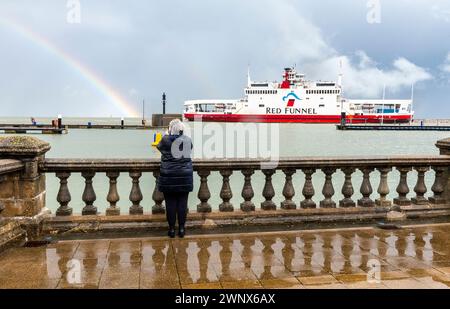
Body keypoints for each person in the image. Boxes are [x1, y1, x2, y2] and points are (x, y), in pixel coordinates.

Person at [157, 119, 193, 238]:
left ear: (170, 129)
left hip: (168, 177)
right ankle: (182, 229)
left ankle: (172, 230)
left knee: (170, 204)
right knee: (182, 204)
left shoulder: (165, 140)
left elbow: (159, 147)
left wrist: (167, 134)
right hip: (184, 176)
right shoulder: (187, 140)